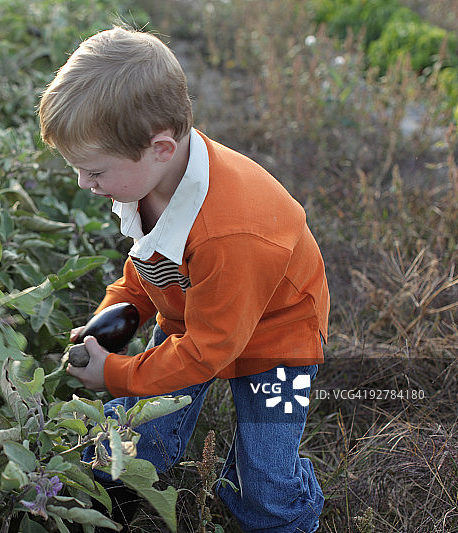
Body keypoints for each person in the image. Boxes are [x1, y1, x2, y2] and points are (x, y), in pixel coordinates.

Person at [38, 26, 329, 532]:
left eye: (95, 171)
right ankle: (118, 489)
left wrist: (115, 373)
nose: (84, 184)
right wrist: (119, 307)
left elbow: (204, 352)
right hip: (198, 307)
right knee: (132, 437)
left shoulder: (231, 232)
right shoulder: (147, 178)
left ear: (161, 148)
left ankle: (288, 510)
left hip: (279, 334)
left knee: (262, 487)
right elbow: (150, 260)